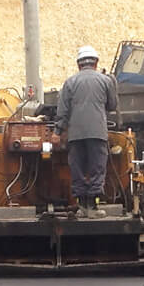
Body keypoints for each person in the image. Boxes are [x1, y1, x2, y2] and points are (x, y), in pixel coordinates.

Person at [55, 44, 116, 217]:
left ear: (79, 64)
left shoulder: (70, 82)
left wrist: (57, 132)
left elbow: (62, 110)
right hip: (97, 133)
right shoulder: (106, 81)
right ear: (96, 63)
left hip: (76, 135)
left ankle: (82, 207)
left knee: (78, 169)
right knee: (97, 168)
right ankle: (94, 208)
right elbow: (112, 105)